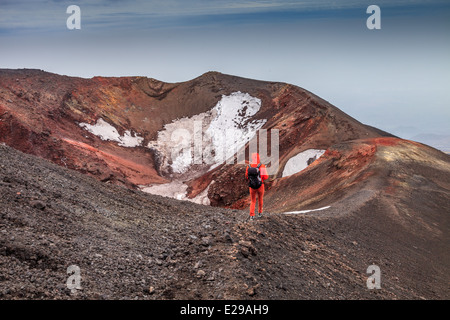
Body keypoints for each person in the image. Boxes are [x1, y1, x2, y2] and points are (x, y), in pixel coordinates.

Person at [245, 153, 268, 220]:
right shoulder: (262, 166)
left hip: (252, 186)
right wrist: (260, 179)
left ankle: (252, 215)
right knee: (260, 199)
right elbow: (266, 177)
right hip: (260, 185)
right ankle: (260, 213)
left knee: (253, 200)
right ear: (258, 157)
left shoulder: (248, 166)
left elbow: (246, 177)